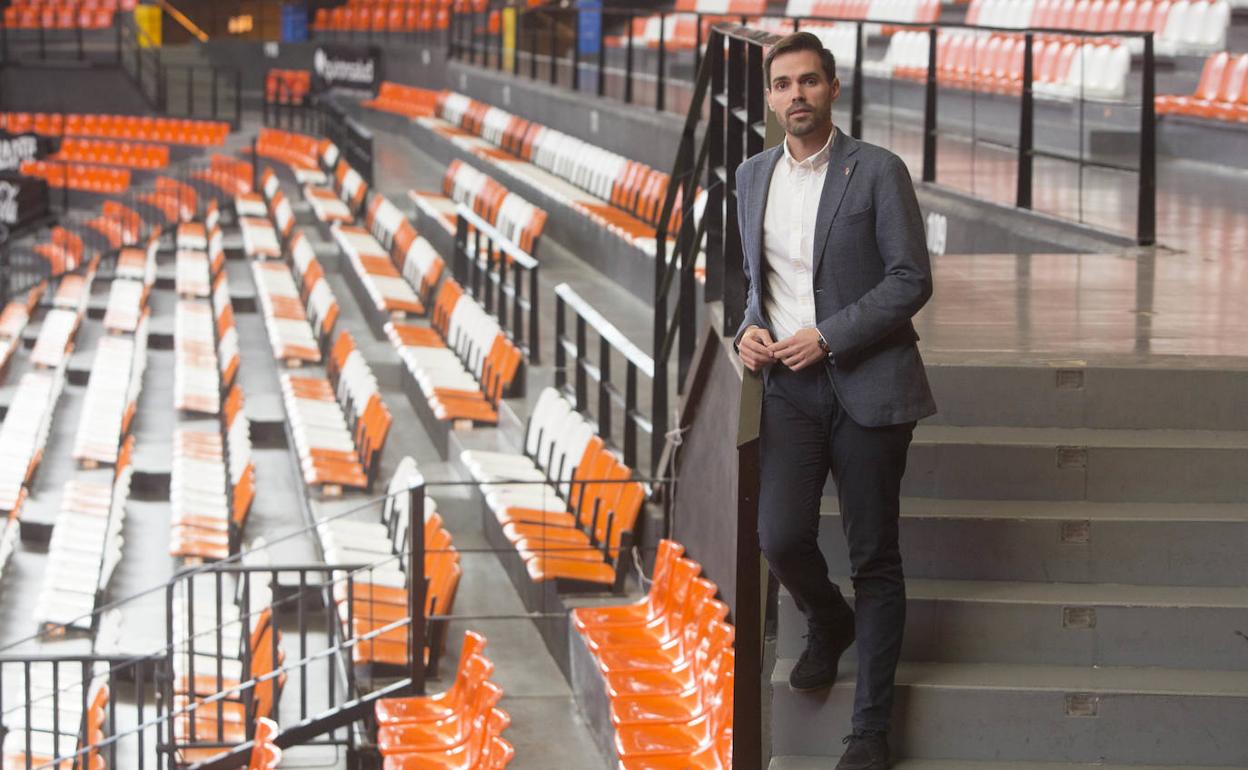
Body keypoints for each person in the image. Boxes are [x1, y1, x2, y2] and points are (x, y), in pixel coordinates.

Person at [734, 31, 937, 770]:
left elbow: (910, 279)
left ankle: (869, 729)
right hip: (788, 390)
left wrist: (828, 336)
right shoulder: (751, 175)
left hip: (870, 385)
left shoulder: (878, 171)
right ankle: (828, 618)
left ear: (833, 88)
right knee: (780, 537)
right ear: (769, 96)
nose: (796, 96)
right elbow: (761, 287)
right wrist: (747, 333)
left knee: (873, 555)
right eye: (783, 84)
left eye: (809, 82)